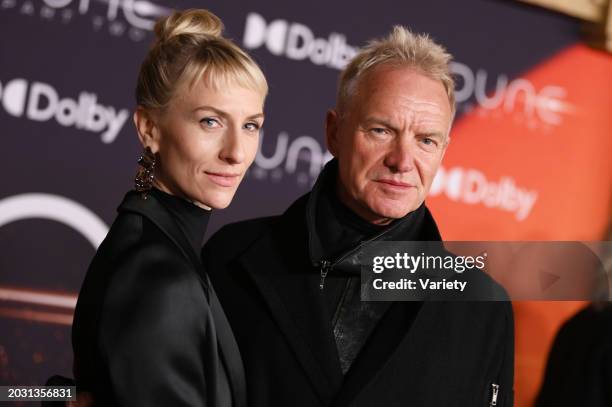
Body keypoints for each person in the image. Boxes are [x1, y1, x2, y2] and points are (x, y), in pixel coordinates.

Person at [203, 27, 514, 406]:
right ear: (334, 132)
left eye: (426, 140)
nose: (402, 161)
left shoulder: (481, 306)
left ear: (443, 151)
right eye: (381, 131)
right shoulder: (232, 258)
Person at [72, 9, 267, 407]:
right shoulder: (158, 273)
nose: (237, 153)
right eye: (211, 122)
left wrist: (58, 394)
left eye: (251, 125)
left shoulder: (153, 239)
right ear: (150, 129)